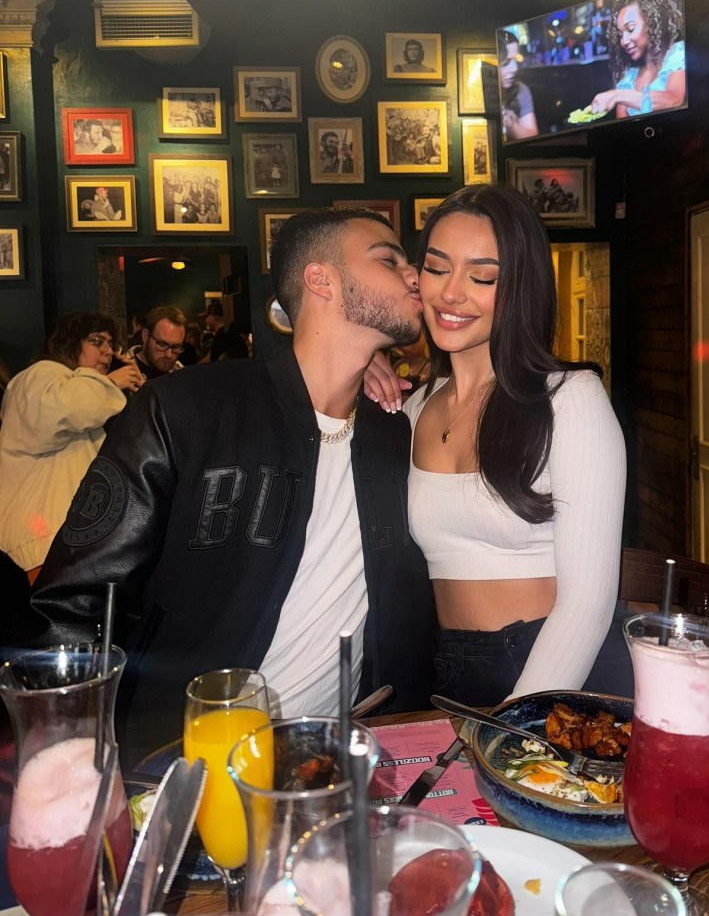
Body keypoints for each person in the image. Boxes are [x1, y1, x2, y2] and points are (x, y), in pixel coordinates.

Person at [29, 207, 436, 765]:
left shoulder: (394, 431)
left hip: (339, 762)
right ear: (322, 279)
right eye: (390, 259)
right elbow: (74, 605)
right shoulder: (185, 411)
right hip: (188, 761)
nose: (415, 275)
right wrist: (67, 756)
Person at [366, 184, 626, 706]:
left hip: (559, 668)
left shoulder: (570, 400)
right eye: (437, 269)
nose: (451, 293)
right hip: (449, 670)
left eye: (482, 277)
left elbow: (588, 605)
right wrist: (361, 369)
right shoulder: (413, 410)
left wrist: (513, 727)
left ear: (519, 290)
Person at [0, 313, 143, 582]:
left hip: (63, 538)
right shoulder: (41, 374)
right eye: (96, 341)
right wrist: (111, 383)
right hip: (42, 538)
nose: (107, 351)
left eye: (110, 344)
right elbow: (59, 412)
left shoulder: (79, 384)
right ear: (69, 343)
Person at [589, 0, 685, 119]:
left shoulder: (677, 55)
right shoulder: (628, 78)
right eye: (620, 34)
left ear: (651, 24)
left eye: (630, 29)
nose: (624, 41)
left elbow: (674, 99)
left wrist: (618, 95)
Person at [120, 305, 188, 382]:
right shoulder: (121, 371)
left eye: (176, 347)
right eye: (162, 344)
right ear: (145, 336)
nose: (168, 355)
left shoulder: (180, 372)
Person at [498, 30, 539, 141]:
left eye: (515, 60)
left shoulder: (521, 90)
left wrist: (510, 122)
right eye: (506, 62)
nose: (514, 68)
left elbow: (532, 136)